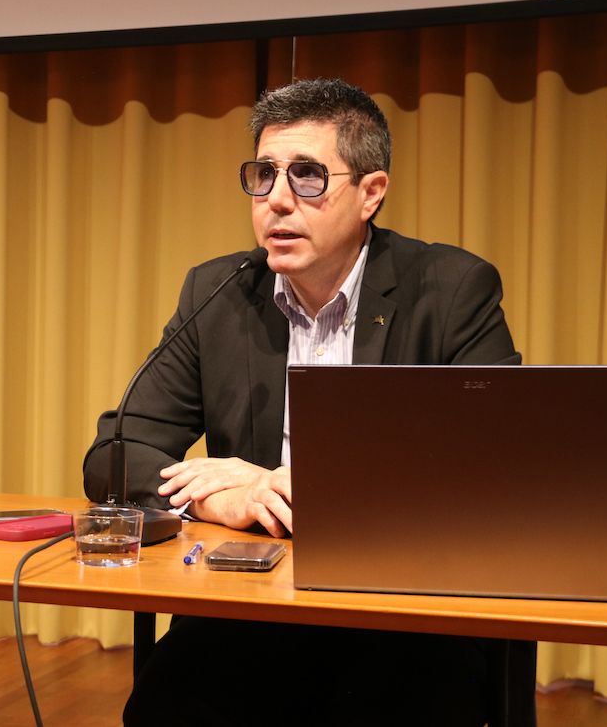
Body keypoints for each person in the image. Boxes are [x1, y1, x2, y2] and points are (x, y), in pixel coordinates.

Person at [83, 79, 535, 726]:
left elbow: (501, 461)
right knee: (164, 706)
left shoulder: (452, 289)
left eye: (308, 177)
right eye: (263, 176)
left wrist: (309, 488)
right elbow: (116, 453)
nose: (277, 202)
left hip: (402, 608)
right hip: (250, 602)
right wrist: (218, 497)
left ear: (370, 193)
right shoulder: (220, 292)